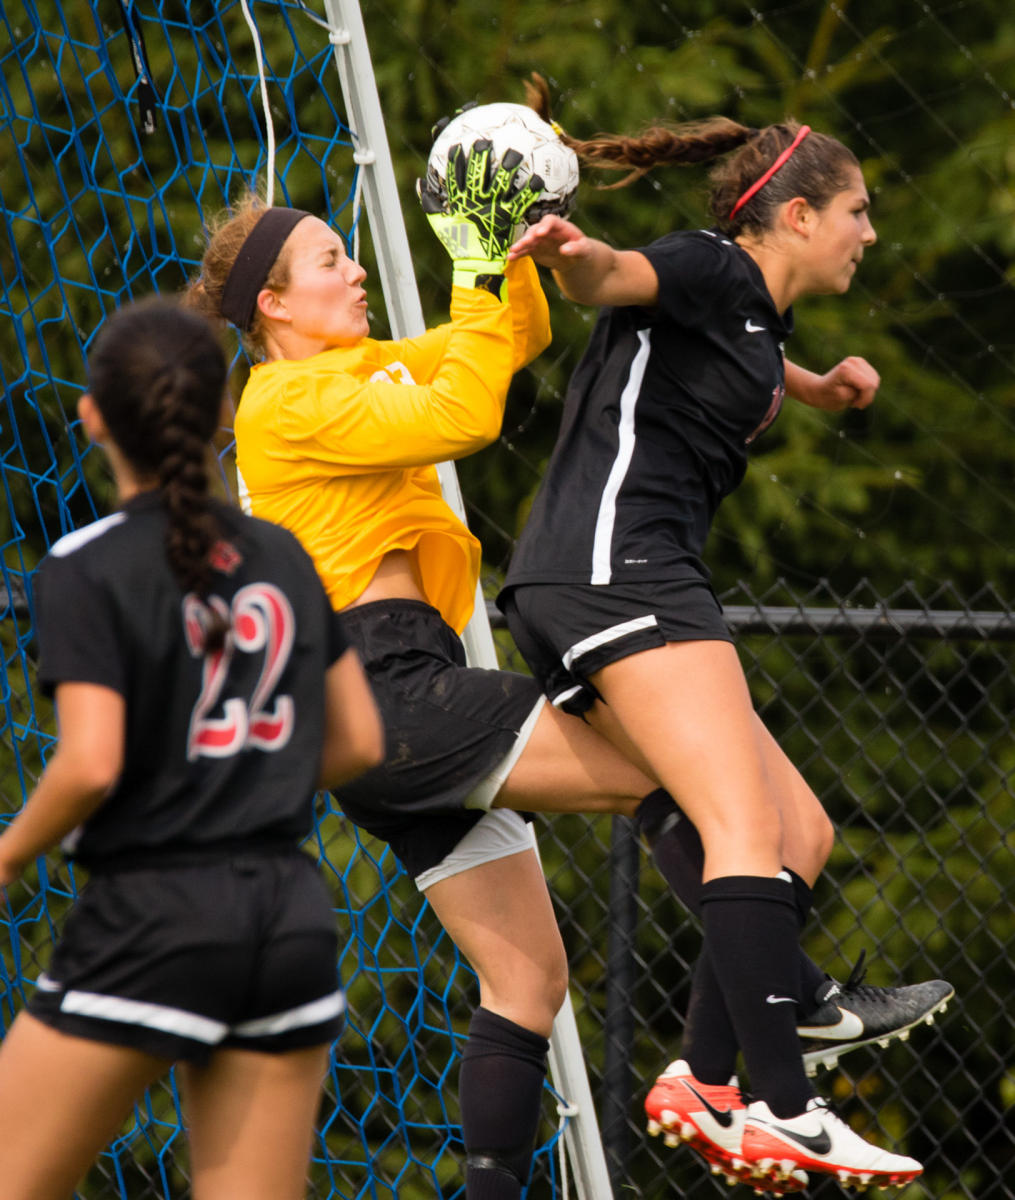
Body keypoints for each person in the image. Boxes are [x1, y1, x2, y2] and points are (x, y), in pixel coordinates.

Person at [188, 135, 945, 1198]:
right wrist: (468, 255)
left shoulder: (356, 371)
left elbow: (514, 335)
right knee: (689, 781)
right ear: (272, 307)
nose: (356, 268)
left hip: (383, 718)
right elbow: (466, 411)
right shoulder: (285, 405)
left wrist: (495, 245)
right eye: (328, 261)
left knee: (527, 979)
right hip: (387, 693)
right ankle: (788, 1035)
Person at [498, 110, 954, 1192]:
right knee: (741, 822)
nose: (869, 233)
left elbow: (740, 354)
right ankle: (786, 1106)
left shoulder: (751, 318)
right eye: (856, 212)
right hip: (618, 573)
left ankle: (706, 1082)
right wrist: (572, 255)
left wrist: (819, 387)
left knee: (797, 831)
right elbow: (619, 278)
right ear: (794, 216)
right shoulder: (706, 264)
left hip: (610, 581)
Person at [0, 297, 383, 1200]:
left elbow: (92, 762)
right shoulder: (281, 554)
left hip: (158, 915)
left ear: (93, 414)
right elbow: (359, 738)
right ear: (221, 411)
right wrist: (248, 775)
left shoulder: (87, 565)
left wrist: (8, 853)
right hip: (288, 917)